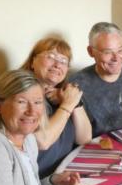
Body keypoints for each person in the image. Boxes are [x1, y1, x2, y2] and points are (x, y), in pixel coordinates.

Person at [21, 37, 92, 177]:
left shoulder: (62, 94)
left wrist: (74, 103)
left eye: (63, 61)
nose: (57, 64)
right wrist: (67, 105)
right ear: (32, 62)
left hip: (64, 173)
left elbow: (85, 138)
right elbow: (42, 141)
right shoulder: (22, 94)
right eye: (50, 57)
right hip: (37, 182)